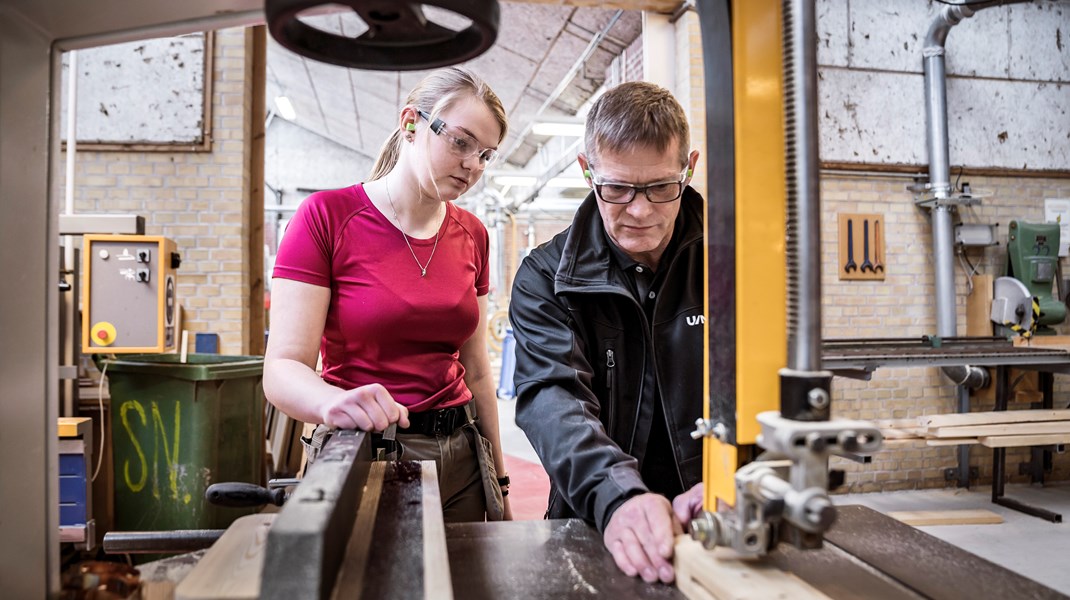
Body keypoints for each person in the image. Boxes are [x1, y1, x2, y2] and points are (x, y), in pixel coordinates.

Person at [264, 66, 512, 522]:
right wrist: (329, 403)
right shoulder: (326, 217)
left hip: (463, 459)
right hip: (363, 454)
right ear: (411, 123)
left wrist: (499, 481)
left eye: (486, 154)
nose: (473, 165)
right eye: (461, 143)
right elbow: (282, 368)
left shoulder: (473, 233)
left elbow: (477, 372)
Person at [509, 81, 706, 582]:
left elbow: (772, 379)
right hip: (597, 518)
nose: (640, 211)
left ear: (690, 167)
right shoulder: (545, 277)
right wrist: (618, 496)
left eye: (663, 187)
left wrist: (745, 477)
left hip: (716, 519)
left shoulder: (732, 258)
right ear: (586, 171)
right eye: (617, 189)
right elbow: (554, 399)